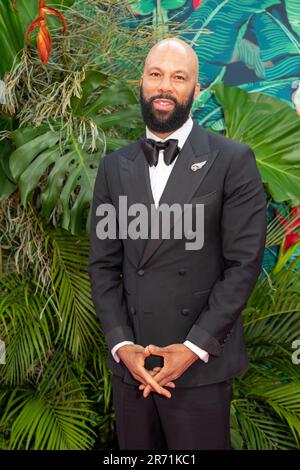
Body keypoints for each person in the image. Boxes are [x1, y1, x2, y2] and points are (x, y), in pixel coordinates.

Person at [88, 37, 267, 450]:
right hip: (132, 366)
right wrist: (121, 344)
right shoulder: (114, 168)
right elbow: (103, 265)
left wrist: (192, 348)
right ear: (142, 82)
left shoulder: (232, 160)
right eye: (156, 75)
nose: (165, 86)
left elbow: (242, 265)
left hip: (198, 367)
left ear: (195, 90)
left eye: (178, 77)